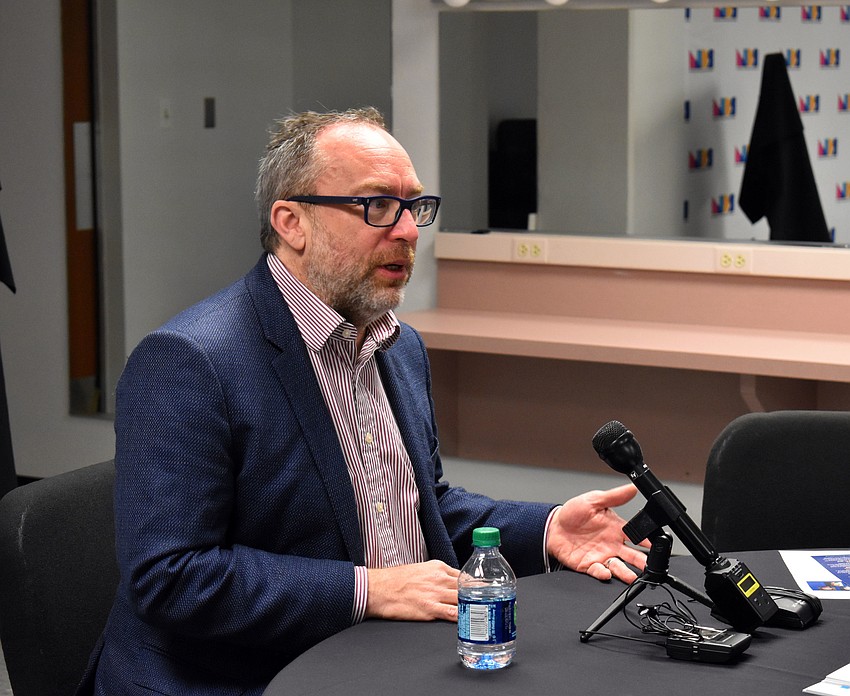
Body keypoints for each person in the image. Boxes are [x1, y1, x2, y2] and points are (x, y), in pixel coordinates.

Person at [78, 107, 648, 696]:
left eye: (415, 208)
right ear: (292, 222)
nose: (406, 231)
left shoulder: (397, 346)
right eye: (377, 206)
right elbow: (170, 578)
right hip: (246, 677)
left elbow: (422, 508)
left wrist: (549, 529)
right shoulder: (191, 361)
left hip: (387, 654)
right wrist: (370, 590)